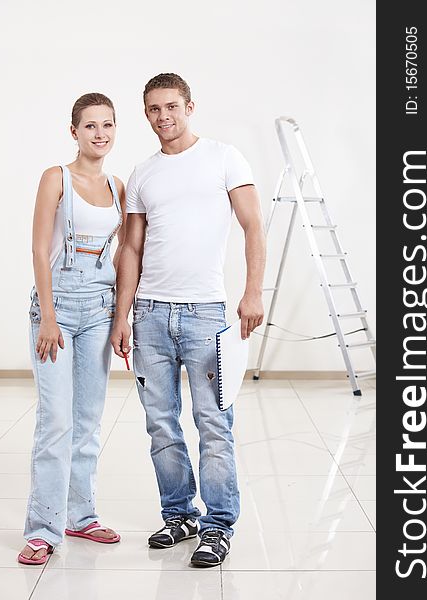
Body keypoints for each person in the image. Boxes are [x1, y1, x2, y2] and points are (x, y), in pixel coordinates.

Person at [111, 73, 266, 567]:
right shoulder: (142, 174)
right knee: (161, 424)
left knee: (214, 424)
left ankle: (218, 526)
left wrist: (253, 292)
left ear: (189, 106)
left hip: (207, 315)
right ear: (147, 115)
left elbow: (252, 226)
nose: (163, 117)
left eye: (171, 107)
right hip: (151, 317)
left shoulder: (224, 157)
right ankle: (179, 515)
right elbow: (131, 248)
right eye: (154, 110)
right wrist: (123, 316)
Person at [18, 93, 125, 565]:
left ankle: (80, 517)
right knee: (56, 421)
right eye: (89, 126)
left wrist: (123, 315)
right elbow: (41, 251)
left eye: (107, 125)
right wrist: (48, 316)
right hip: (57, 307)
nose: (99, 134)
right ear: (74, 131)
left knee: (87, 420)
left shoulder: (119, 187)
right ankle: (43, 529)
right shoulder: (55, 178)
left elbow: (123, 257)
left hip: (100, 310)